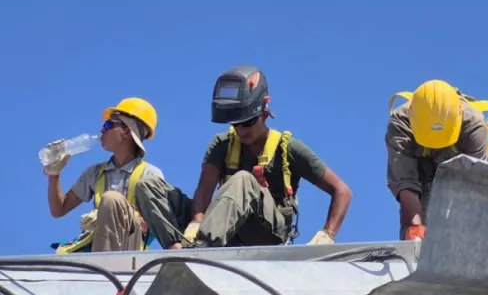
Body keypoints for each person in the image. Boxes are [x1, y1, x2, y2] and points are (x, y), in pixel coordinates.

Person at [184, 65, 352, 248]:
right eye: (235, 124)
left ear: (264, 113)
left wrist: (327, 235)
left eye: (247, 122)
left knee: (243, 179)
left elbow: (342, 191)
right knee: (153, 188)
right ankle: (183, 247)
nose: (241, 130)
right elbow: (203, 192)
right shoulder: (222, 144)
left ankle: (203, 247)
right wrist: (196, 223)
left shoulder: (287, 148)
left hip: (268, 233)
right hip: (227, 229)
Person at [45, 98, 192, 252]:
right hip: (97, 245)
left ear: (127, 131)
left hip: (130, 249)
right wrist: (54, 175)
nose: (102, 130)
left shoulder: (149, 174)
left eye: (109, 125)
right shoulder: (95, 173)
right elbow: (58, 210)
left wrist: (107, 216)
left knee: (110, 199)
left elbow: (150, 224)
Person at [386, 79, 488, 240]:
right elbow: (406, 184)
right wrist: (416, 230)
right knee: (415, 231)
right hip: (423, 168)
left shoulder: (474, 124)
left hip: (465, 169)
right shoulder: (400, 125)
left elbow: (474, 185)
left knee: (476, 226)